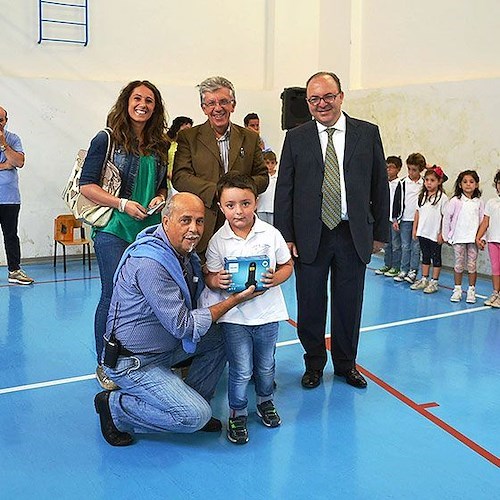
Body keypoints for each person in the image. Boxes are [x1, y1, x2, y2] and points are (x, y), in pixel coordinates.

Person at [94, 193, 260, 446]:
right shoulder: (151, 264)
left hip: (164, 349)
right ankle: (116, 408)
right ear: (166, 221)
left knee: (222, 337)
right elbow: (184, 326)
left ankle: (192, 399)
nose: (194, 229)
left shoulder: (184, 256)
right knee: (194, 417)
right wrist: (234, 300)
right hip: (134, 361)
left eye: (199, 221)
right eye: (185, 221)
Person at [274, 71, 389, 390]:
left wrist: (380, 231)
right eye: (314, 99)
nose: (321, 103)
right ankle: (313, 363)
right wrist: (286, 236)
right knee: (309, 303)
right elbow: (286, 189)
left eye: (328, 96)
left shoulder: (367, 133)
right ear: (308, 103)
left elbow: (380, 184)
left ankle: (345, 364)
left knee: (348, 304)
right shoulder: (296, 137)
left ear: (340, 96)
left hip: (353, 234)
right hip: (311, 235)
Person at [79, 80, 170, 391]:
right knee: (113, 294)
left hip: (147, 232)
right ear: (126, 102)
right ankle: (105, 362)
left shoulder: (160, 145)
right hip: (113, 229)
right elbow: (86, 186)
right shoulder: (106, 139)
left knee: (144, 298)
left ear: (155, 107)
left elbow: (160, 186)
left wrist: (159, 199)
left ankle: (138, 355)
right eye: (137, 98)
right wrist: (122, 203)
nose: (142, 104)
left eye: (149, 100)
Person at [202, 172, 293, 444]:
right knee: (241, 369)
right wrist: (215, 280)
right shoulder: (218, 241)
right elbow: (210, 274)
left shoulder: (271, 233)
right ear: (220, 206)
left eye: (245, 203)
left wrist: (276, 277)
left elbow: (287, 265)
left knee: (266, 366)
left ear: (256, 202)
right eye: (230, 205)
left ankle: (265, 401)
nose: (238, 211)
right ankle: (238, 412)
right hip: (235, 318)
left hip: (268, 315)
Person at [172, 76, 269, 258]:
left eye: (224, 101)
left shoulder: (250, 138)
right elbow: (180, 177)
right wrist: (218, 192)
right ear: (204, 108)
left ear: (233, 105)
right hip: (203, 224)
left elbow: (263, 177)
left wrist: (239, 192)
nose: (218, 108)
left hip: (242, 226)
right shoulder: (189, 138)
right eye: (211, 103)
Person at [0, 106, 34, 285]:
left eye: (1, 120)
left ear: (5, 121)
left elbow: (19, 162)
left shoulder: (13, 139)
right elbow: (11, 163)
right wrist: (5, 165)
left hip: (9, 198)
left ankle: (14, 271)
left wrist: (3, 144)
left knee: (11, 235)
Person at [443, 170, 484, 303]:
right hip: (459, 238)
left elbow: (483, 221)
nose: (468, 185)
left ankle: (471, 290)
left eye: (471, 182)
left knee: (472, 265)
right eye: (465, 182)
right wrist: (447, 235)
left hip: (473, 239)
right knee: (459, 264)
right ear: (460, 185)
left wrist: (482, 238)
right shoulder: (455, 201)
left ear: (476, 185)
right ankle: (457, 289)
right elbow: (447, 218)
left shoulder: (479, 202)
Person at [409, 166, 448, 294]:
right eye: (426, 180)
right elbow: (417, 213)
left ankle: (434, 281)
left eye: (432, 180)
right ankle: (424, 278)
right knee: (425, 256)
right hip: (422, 232)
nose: (429, 183)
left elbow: (445, 217)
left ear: (439, 182)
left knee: (436, 257)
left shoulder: (443, 198)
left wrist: (442, 233)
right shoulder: (422, 196)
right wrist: (415, 229)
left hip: (434, 233)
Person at [392, 153, 426, 284]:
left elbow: (442, 178)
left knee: (416, 246)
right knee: (405, 246)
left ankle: (413, 271)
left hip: (419, 221)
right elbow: (396, 201)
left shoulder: (425, 183)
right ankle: (403, 269)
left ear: (421, 170)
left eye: (415, 170)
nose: (411, 172)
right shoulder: (403, 183)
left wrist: (429, 166)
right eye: (409, 169)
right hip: (405, 219)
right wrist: (395, 219)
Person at [375, 156, 403, 277]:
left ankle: (396, 266)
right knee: (387, 244)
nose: (388, 170)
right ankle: (387, 264)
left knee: (396, 244)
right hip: (384, 218)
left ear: (398, 169)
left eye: (391, 168)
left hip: (395, 218)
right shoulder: (382, 183)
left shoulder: (400, 184)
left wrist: (397, 217)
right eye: (386, 167)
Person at [476, 170, 500, 308]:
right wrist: (478, 237)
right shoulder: (491, 203)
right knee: (496, 269)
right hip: (493, 241)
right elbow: (485, 222)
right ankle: (495, 293)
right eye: (499, 183)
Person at [166, 116, 193, 198]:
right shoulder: (167, 143)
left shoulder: (189, 146)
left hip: (182, 182)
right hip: (166, 184)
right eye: (184, 130)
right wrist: (168, 174)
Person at [256, 150, 278, 225]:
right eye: (267, 163)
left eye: (272, 163)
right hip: (261, 208)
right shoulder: (261, 177)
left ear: (276, 163)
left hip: (273, 208)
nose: (270, 166)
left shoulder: (279, 177)